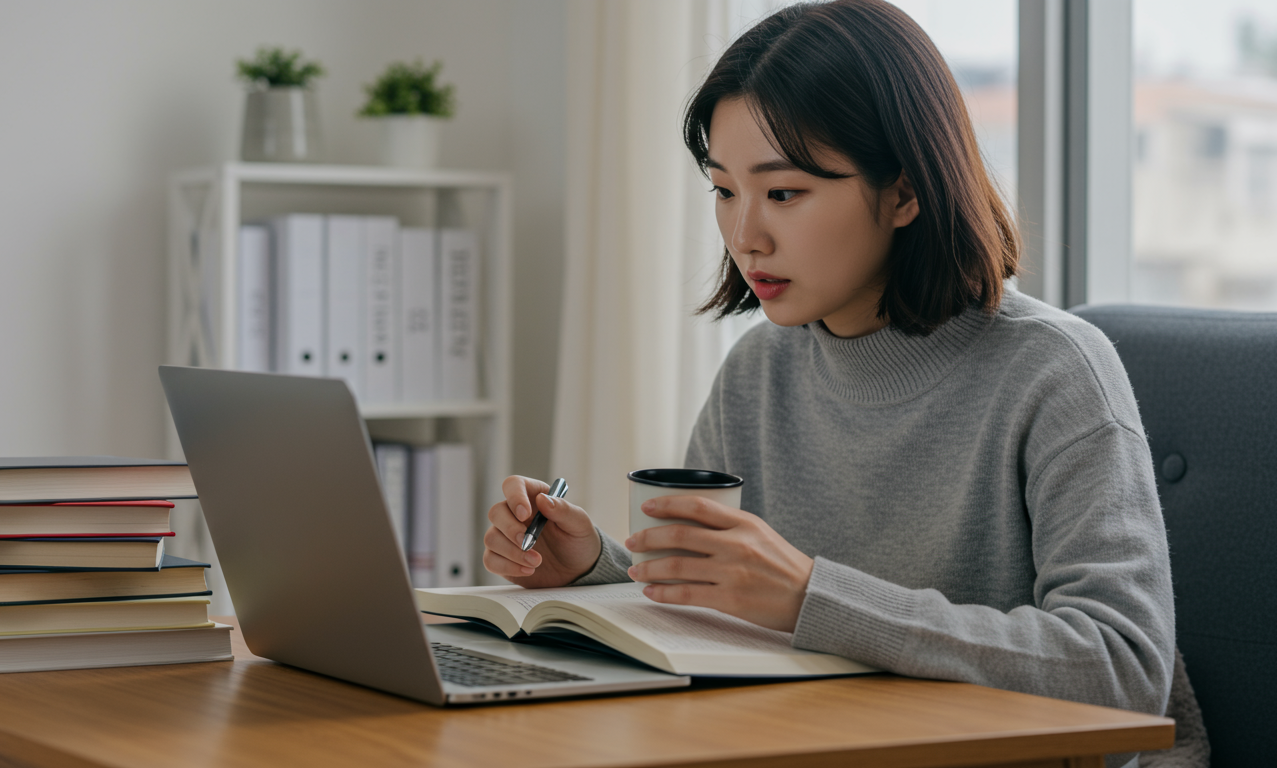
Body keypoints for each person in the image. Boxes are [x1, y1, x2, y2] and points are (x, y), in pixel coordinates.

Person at [483, 2, 1199, 766]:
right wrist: (595, 568)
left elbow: (1123, 670)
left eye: (783, 193)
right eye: (724, 191)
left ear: (904, 193)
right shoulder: (758, 373)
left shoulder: (1055, 371)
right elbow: (726, 608)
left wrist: (812, 598)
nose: (746, 234)